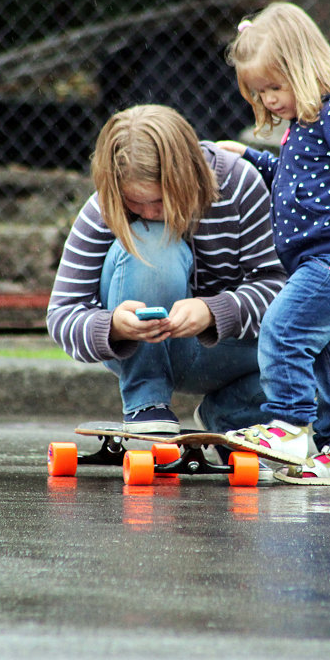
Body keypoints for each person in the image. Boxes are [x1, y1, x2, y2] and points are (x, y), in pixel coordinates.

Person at [218, 1, 330, 485]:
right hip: (326, 262)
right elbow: (297, 182)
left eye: (275, 87)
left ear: (304, 67)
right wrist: (253, 158)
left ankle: (288, 425)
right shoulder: (303, 128)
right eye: (259, 93)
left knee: (282, 330)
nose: (270, 101)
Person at [47, 104, 286, 438]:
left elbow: (277, 284)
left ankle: (231, 416)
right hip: (138, 353)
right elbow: (61, 314)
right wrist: (113, 326)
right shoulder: (106, 204)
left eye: (159, 201)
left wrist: (215, 311)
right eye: (136, 203)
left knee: (322, 354)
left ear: (188, 176)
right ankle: (147, 402)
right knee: (151, 240)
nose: (148, 211)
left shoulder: (240, 182)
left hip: (224, 354)